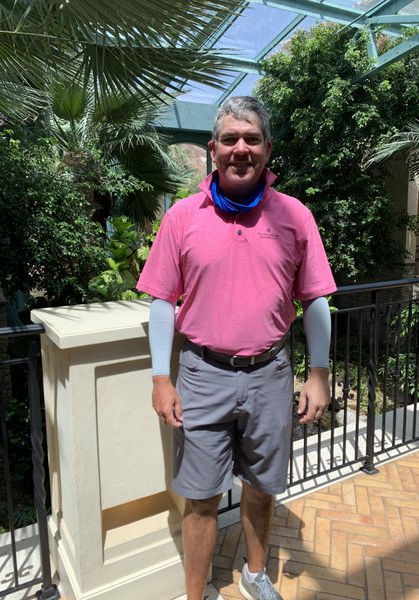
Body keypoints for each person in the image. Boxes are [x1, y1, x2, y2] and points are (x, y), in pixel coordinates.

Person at [137, 96, 336, 600]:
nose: (240, 149)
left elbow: (315, 299)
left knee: (262, 487)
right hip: (202, 375)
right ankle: (195, 594)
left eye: (251, 139)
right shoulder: (183, 217)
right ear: (213, 149)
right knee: (201, 497)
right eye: (230, 139)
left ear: (267, 149)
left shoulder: (294, 215)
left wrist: (318, 374)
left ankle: (254, 573)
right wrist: (161, 377)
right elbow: (162, 300)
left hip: (270, 373)